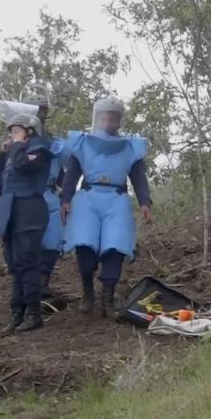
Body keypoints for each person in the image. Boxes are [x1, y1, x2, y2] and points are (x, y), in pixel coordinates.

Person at [58, 96, 153, 319]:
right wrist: (66, 198)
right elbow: (72, 172)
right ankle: (88, 292)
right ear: (96, 118)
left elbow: (138, 177)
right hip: (88, 197)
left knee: (115, 246)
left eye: (112, 118)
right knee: (84, 243)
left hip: (117, 198)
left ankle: (107, 297)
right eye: (104, 118)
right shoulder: (83, 142)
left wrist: (145, 203)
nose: (108, 122)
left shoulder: (130, 147)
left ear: (119, 121)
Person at [0, 114, 54, 335]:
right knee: (15, 266)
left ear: (30, 130)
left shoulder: (40, 150)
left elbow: (23, 166)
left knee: (27, 262)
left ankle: (33, 313)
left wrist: (15, 148)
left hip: (29, 211)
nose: (12, 135)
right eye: (11, 131)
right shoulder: (14, 152)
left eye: (16, 131)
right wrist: (1, 153)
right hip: (10, 212)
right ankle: (17, 312)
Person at [22, 88, 68, 297]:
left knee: (54, 239)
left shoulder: (53, 141)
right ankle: (28, 290)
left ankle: (43, 284)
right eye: (36, 108)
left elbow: (61, 172)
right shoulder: (19, 138)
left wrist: (68, 195)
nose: (40, 113)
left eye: (42, 108)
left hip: (50, 194)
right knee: (30, 244)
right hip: (28, 194)